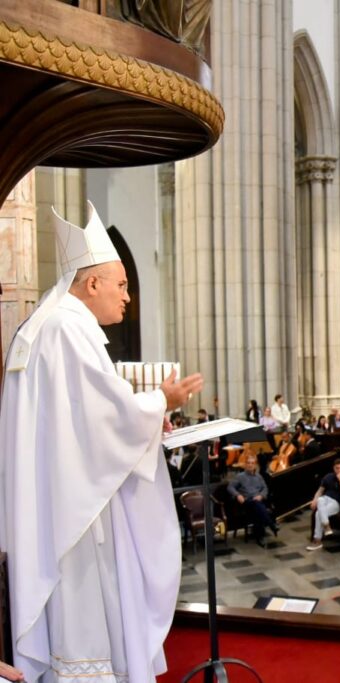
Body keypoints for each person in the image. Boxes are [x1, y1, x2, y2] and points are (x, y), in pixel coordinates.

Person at [0, 202, 203, 682]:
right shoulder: (69, 327)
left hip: (58, 501)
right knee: (84, 618)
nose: (128, 297)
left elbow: (88, 418)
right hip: (76, 513)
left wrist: (147, 418)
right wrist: (163, 400)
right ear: (92, 283)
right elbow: (106, 416)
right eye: (122, 284)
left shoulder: (47, 323)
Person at [227, 455, 278, 547]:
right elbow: (230, 487)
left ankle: (260, 537)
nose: (250, 465)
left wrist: (261, 496)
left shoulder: (259, 477)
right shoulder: (240, 476)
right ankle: (271, 525)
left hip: (257, 502)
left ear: (255, 465)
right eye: (248, 463)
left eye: (252, 463)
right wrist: (238, 495)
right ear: (245, 464)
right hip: (247, 502)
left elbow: (265, 488)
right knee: (257, 505)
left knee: (257, 508)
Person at [307, 458, 340, 551]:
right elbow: (320, 490)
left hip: (337, 503)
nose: (339, 470)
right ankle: (326, 525)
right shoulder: (328, 476)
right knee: (320, 500)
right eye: (337, 468)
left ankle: (317, 540)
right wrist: (314, 499)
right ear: (333, 468)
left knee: (318, 513)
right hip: (325, 499)